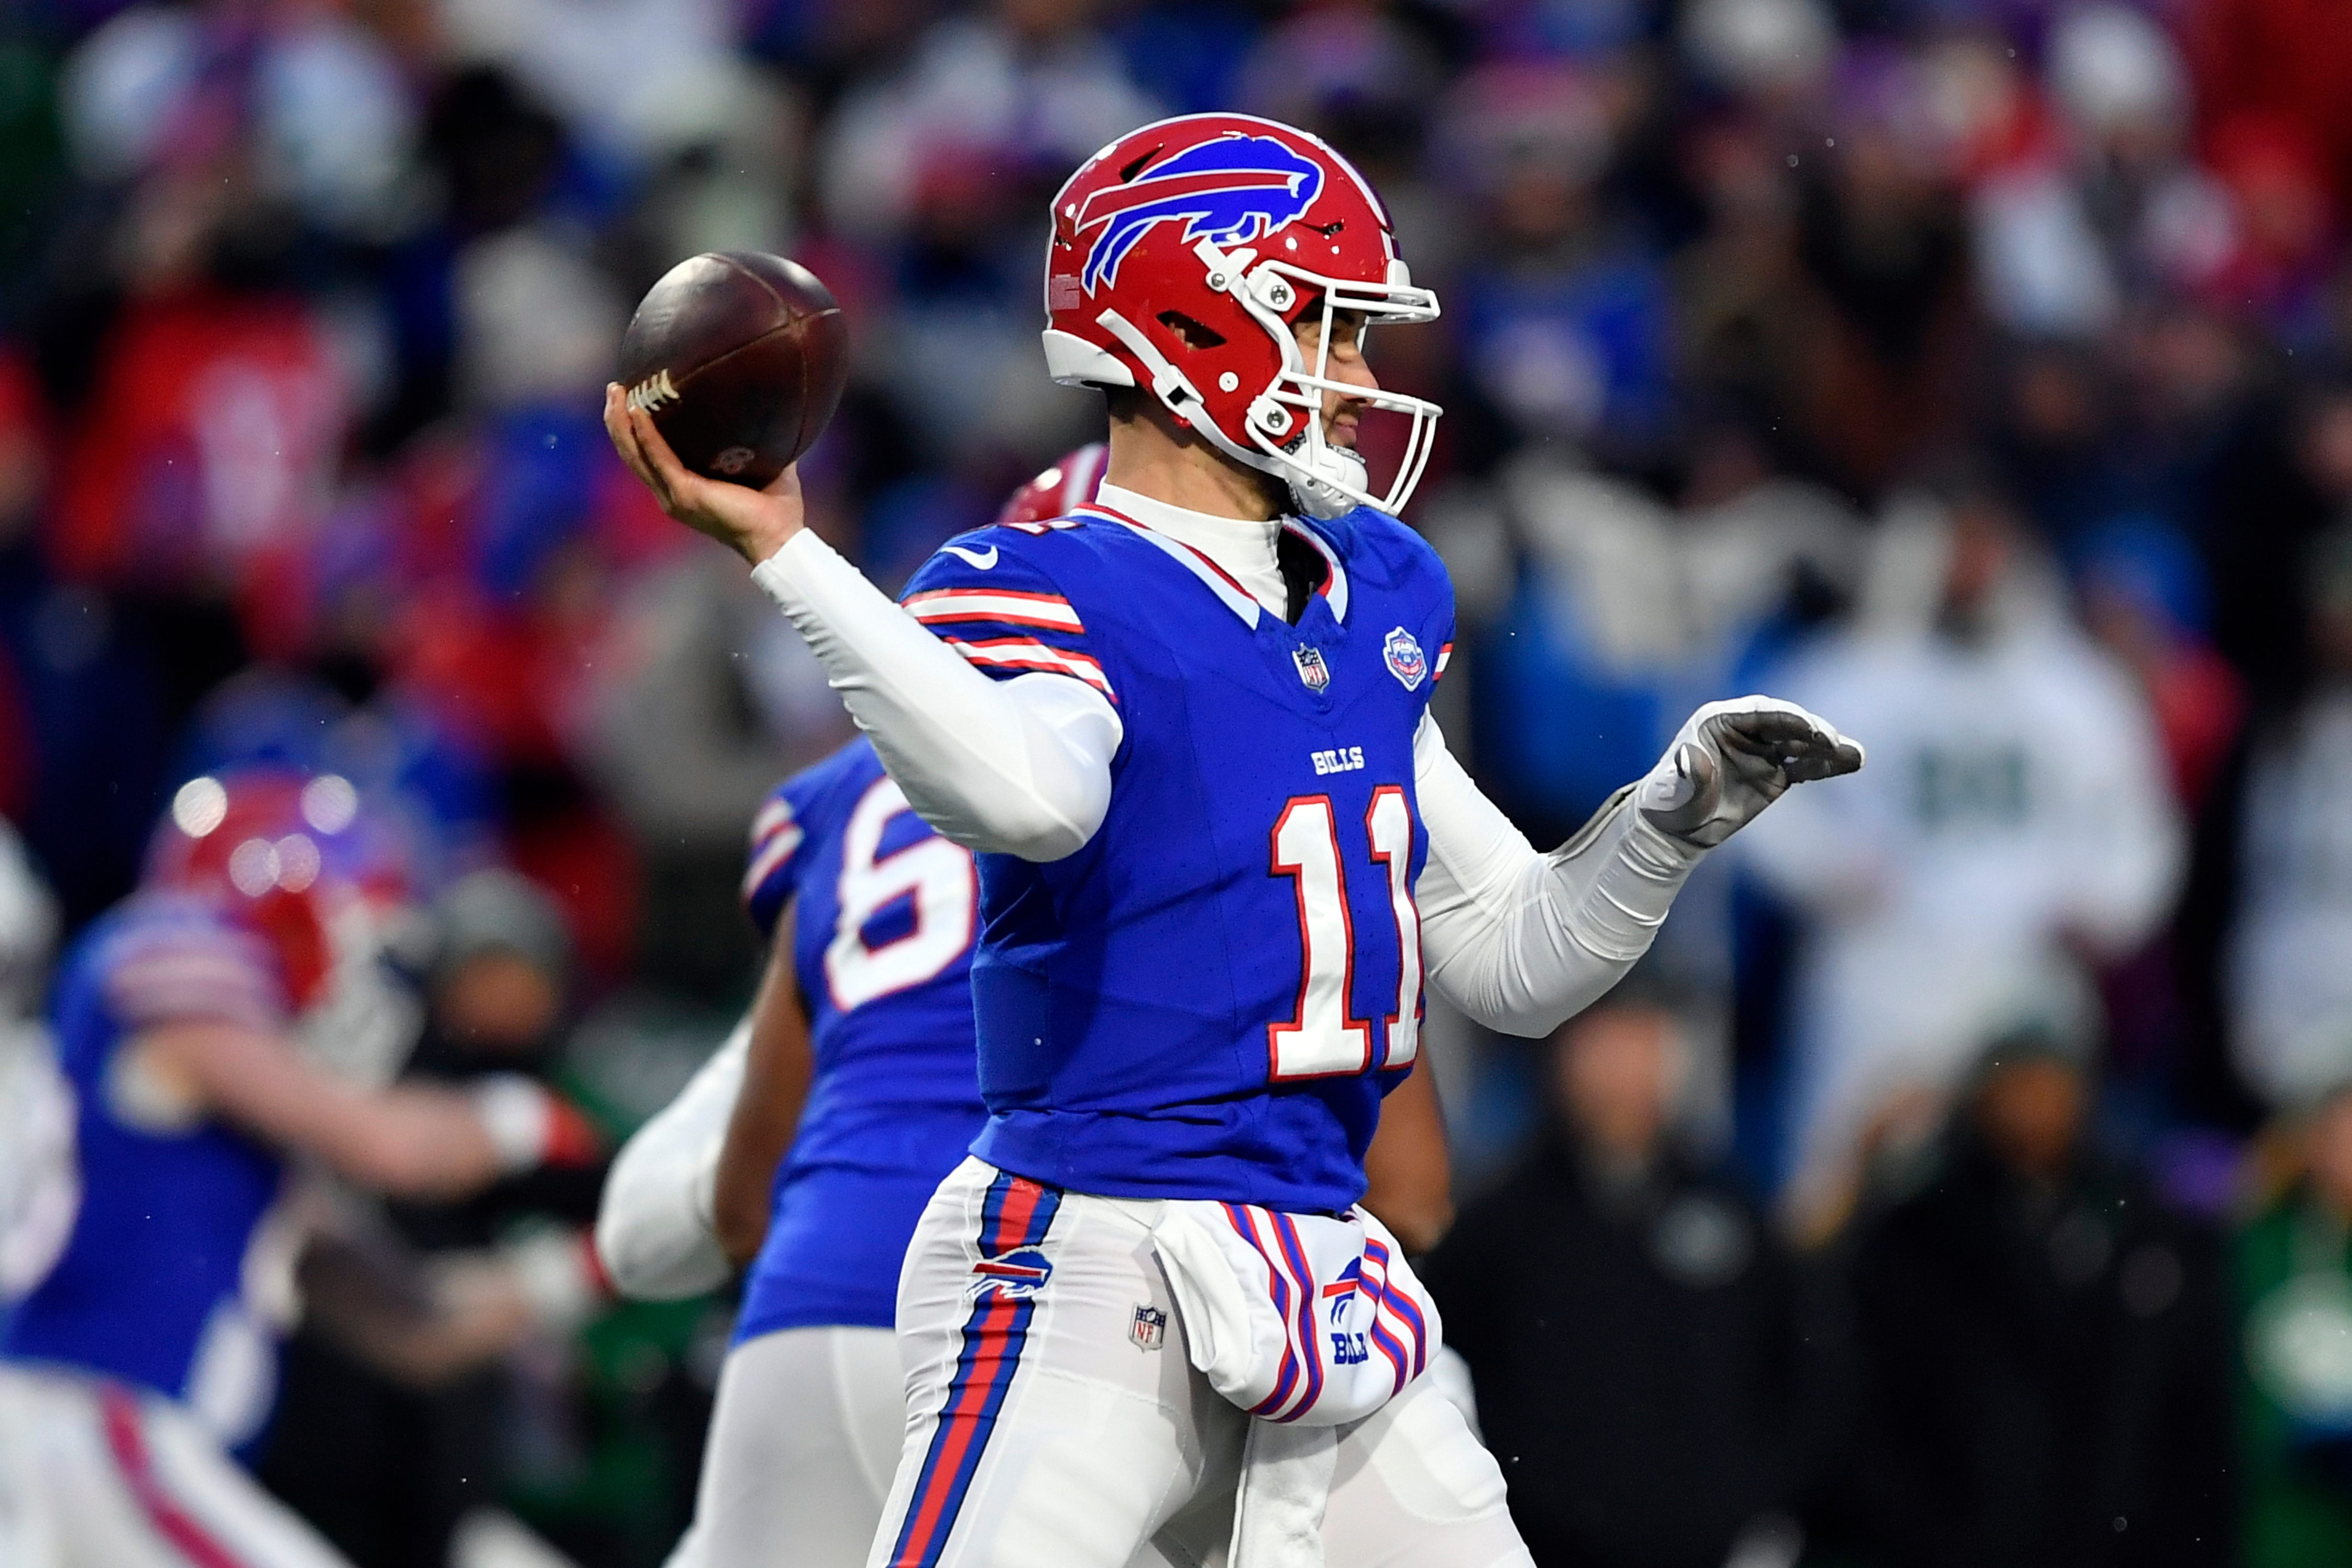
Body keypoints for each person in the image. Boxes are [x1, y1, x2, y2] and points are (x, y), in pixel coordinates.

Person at [605, 111, 1860, 1568]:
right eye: (1331, 328)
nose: (1363, 379)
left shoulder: (1374, 588)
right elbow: (1030, 801)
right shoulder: (1040, 576)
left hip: (1315, 1258)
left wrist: (1663, 825)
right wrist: (790, 556)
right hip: (1082, 1260)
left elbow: (1513, 959)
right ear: (1199, 322)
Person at [596, 453, 1464, 1568]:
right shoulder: (1255, 784)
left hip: (834, 1288)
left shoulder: (850, 792)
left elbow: (734, 1193)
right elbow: (1416, 1192)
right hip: (1097, 1304)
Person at [0, 768, 602, 1568]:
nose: (371, 987)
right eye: (363, 943)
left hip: (113, 1445)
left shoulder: (240, 1147)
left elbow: (416, 1324)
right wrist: (534, 1120)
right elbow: (392, 1149)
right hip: (88, 1426)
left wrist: (604, 1261)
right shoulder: (170, 965)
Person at [1425, 989, 1813, 1568]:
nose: (1624, 1070)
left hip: (1707, 1548)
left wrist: (1755, 1505)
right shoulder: (1499, 1227)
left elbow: (1804, 1367)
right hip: (1540, 1547)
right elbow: (1447, 1385)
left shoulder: (1734, 1212)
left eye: (1645, 1043)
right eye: (1603, 1044)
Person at [1831, 1032, 2234, 1568]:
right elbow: (1865, 1405)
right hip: (1958, 1539)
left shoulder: (2148, 1236)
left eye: (2051, 1087)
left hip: (2118, 1542)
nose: (2034, 1107)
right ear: (1979, 1101)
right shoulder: (1916, 1239)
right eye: (2015, 1087)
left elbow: (2194, 1409)